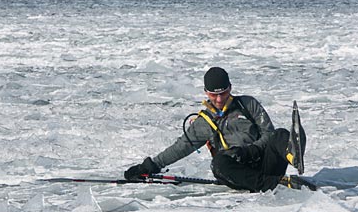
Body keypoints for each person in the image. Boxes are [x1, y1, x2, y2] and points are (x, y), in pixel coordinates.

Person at [124, 67, 307, 192]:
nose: (219, 99)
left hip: (265, 163)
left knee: (282, 134)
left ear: (230, 89)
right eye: (214, 95)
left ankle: (293, 158)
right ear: (206, 92)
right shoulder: (204, 122)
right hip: (239, 173)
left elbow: (268, 133)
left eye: (224, 93)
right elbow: (180, 147)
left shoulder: (248, 104)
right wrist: (148, 166)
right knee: (219, 163)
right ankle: (275, 185)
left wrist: (252, 149)